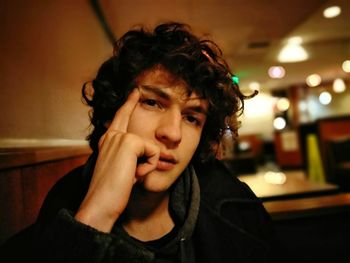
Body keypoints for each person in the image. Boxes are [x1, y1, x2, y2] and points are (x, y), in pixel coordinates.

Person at [1, 22, 275, 262]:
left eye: (192, 118)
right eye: (153, 103)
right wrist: (97, 215)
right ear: (112, 112)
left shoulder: (237, 207)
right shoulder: (57, 215)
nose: (173, 133)